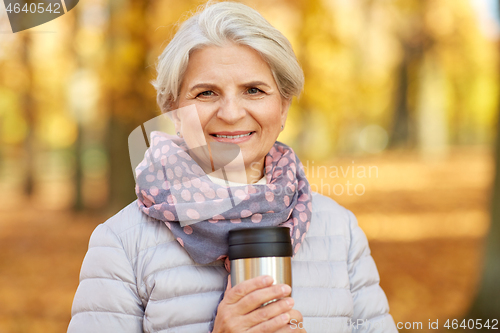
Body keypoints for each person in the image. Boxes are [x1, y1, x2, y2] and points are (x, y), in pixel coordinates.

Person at [68, 1, 398, 332]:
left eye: (253, 90)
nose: (230, 113)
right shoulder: (122, 244)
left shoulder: (340, 231)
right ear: (173, 110)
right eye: (206, 93)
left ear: (283, 107)